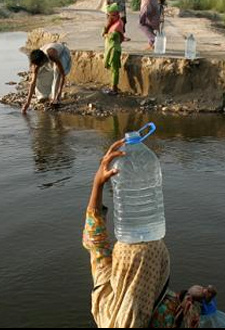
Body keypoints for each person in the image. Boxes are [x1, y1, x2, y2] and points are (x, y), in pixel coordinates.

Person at [82, 139, 214, 328]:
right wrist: (195, 298)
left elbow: (95, 241)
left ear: (119, 266)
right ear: (161, 270)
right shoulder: (171, 314)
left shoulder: (106, 300)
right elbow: (191, 317)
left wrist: (98, 183)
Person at [22, 42, 72, 114]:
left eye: (39, 64)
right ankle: (43, 96)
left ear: (42, 60)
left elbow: (62, 75)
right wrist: (27, 102)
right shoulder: (36, 63)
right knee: (38, 73)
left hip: (63, 53)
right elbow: (33, 83)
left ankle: (54, 98)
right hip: (47, 57)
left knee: (57, 70)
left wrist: (58, 93)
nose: (38, 66)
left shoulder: (52, 55)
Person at [103, 3, 128, 95]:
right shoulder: (113, 23)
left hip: (114, 50)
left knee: (114, 69)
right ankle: (112, 86)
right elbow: (103, 33)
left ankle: (114, 88)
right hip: (111, 49)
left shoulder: (118, 24)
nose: (111, 17)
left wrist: (106, 33)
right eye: (109, 15)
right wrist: (107, 26)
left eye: (113, 15)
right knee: (113, 69)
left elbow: (111, 36)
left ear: (117, 14)